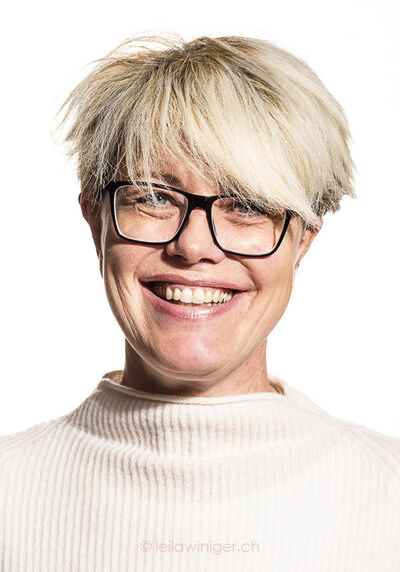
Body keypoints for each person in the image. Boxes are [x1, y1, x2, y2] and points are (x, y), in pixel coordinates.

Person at [1, 33, 399, 572]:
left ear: (302, 241)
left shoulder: (389, 498)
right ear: (96, 220)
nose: (193, 246)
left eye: (248, 205)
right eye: (153, 197)